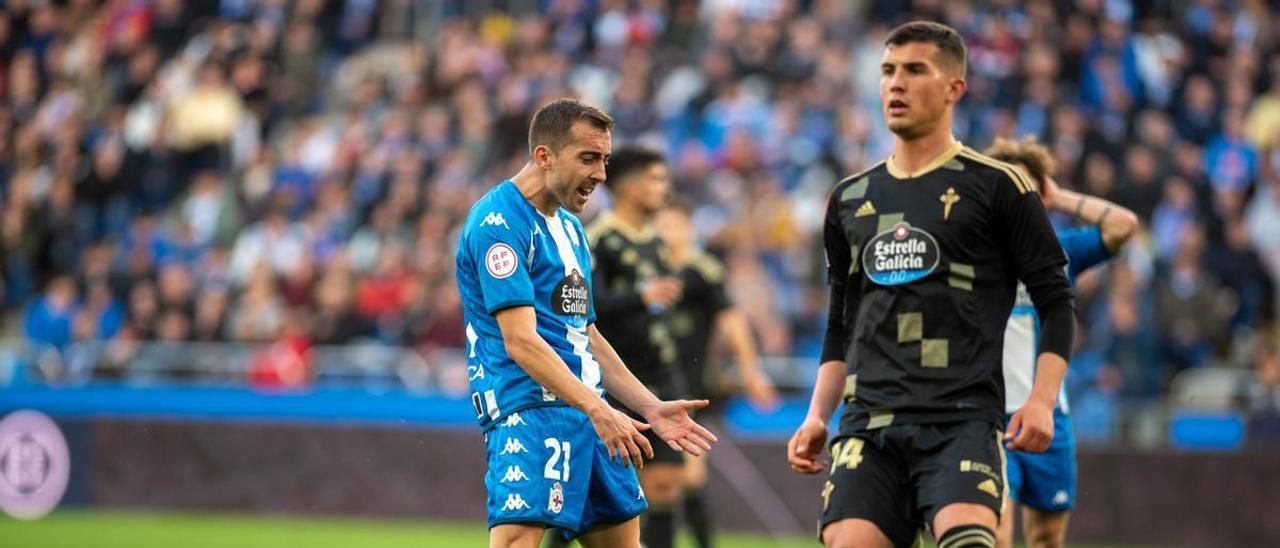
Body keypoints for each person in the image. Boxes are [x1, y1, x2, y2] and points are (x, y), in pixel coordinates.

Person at [786, 22, 1076, 548]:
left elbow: (1057, 302)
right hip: (867, 425)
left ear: (953, 88)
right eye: (888, 71)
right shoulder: (850, 198)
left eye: (915, 70)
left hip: (961, 420)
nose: (896, 84)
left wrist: (1040, 400)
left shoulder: (998, 187)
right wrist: (816, 416)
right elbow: (840, 325)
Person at [454, 99, 717, 548]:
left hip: (592, 414)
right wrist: (598, 409)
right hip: (529, 412)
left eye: (605, 160)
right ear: (544, 156)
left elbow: (586, 334)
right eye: (589, 158)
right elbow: (520, 341)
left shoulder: (572, 229)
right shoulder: (497, 222)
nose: (601, 175)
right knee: (518, 540)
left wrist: (649, 406)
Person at [984, 136, 1139, 548]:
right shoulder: (973, 252)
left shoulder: (1059, 250)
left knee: (1047, 540)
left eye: (1029, 190)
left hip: (1047, 415)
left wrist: (1061, 197)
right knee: (993, 536)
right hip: (987, 418)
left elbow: (1124, 226)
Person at [655, 198, 780, 548]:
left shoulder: (702, 272)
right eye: (662, 226)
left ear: (688, 230)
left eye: (675, 226)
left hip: (685, 387)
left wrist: (751, 372)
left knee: (686, 476)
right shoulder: (644, 267)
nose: (668, 234)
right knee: (654, 478)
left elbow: (733, 322)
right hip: (639, 383)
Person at [583, 147, 687, 548]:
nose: (664, 189)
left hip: (660, 375)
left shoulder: (655, 242)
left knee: (665, 486)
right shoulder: (599, 239)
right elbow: (587, 307)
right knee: (595, 493)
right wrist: (641, 297)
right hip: (614, 381)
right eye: (656, 179)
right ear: (628, 187)